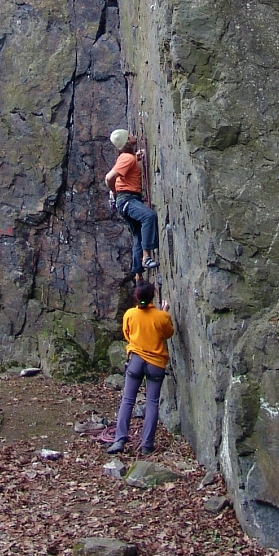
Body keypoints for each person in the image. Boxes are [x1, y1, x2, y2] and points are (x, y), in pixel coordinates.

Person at [107, 282, 174, 456]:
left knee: (128, 400)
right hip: (156, 364)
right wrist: (164, 313)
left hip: (136, 361)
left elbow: (127, 334)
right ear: (153, 296)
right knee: (152, 402)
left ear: (136, 297)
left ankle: (119, 440)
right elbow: (168, 333)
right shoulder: (161, 317)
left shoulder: (130, 314)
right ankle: (146, 445)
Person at [105, 128, 159, 283]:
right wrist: (114, 191)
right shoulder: (127, 158)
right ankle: (147, 257)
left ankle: (137, 273)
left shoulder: (128, 158)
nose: (133, 135)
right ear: (127, 141)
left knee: (139, 235)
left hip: (126, 200)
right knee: (149, 216)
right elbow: (109, 177)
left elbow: (126, 168)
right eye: (129, 135)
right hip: (127, 199)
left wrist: (136, 158)